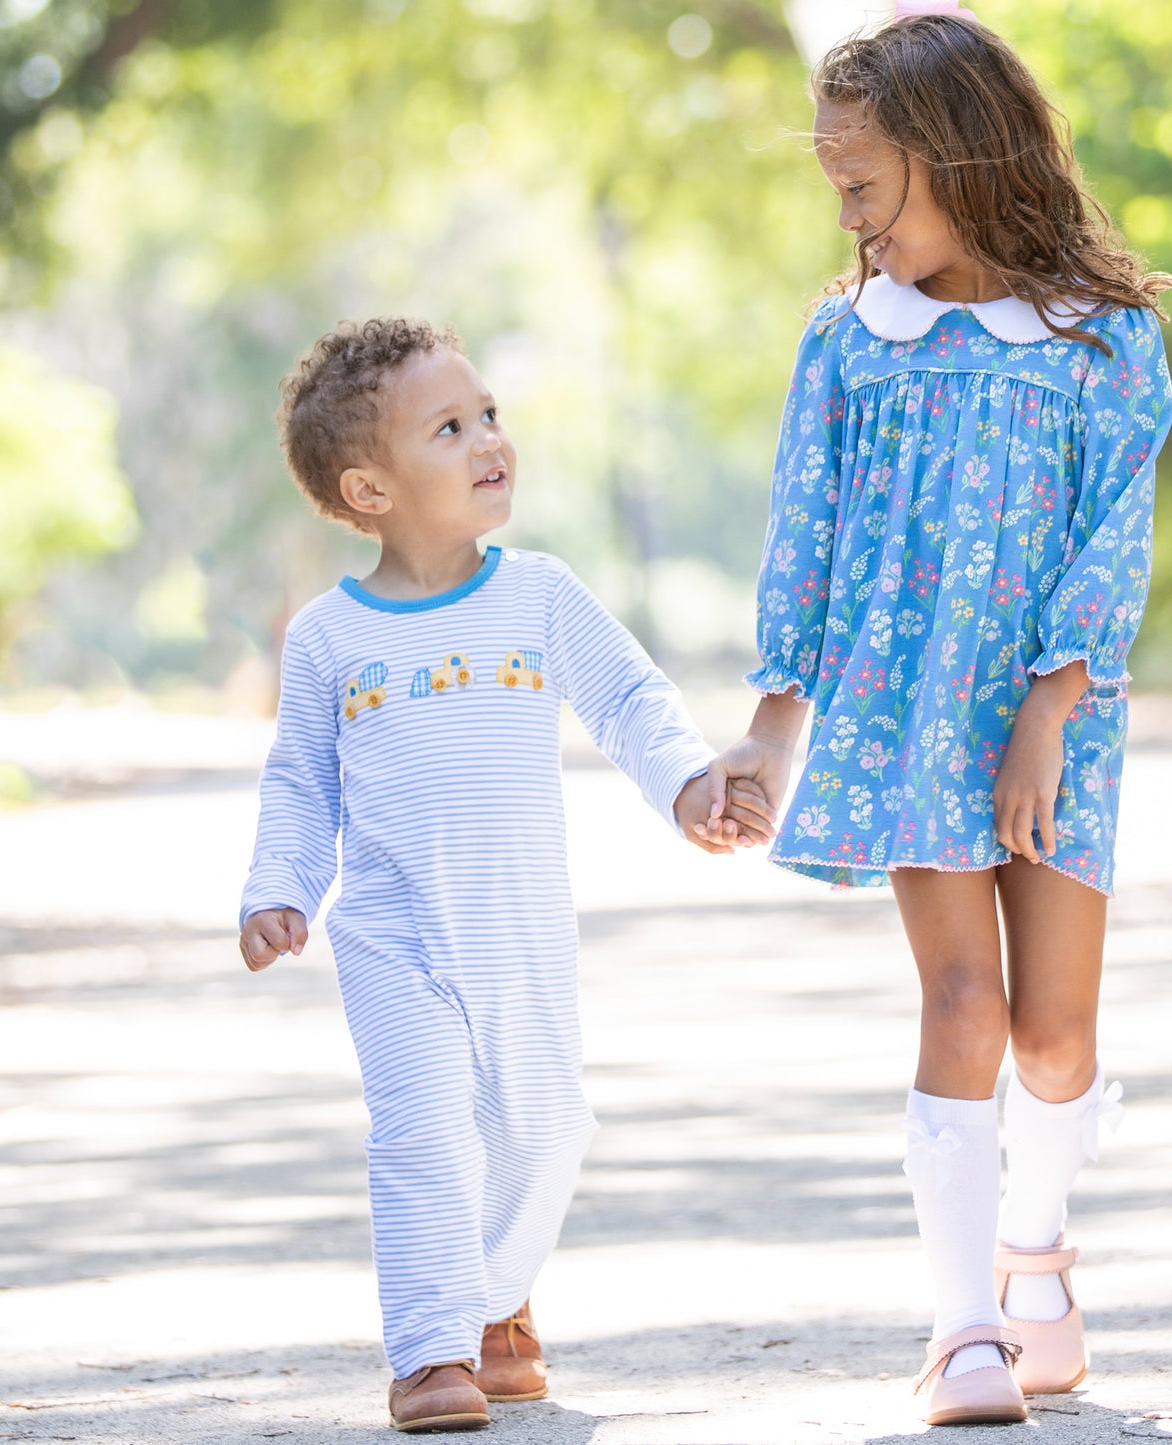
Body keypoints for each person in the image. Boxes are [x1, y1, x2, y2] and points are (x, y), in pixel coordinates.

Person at [697, 5, 1172, 1428]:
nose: (845, 215)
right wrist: (771, 730)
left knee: (1055, 1042)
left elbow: (1116, 533)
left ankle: (1034, 1248)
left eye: (861, 182)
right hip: (905, 716)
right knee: (963, 1005)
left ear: (956, 155)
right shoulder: (850, 343)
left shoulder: (1104, 339)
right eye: (835, 187)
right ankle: (964, 1329)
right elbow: (811, 535)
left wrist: (1052, 700)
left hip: (1056, 717)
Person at [238, 318, 773, 1434]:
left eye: (489, 415)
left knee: (545, 1126)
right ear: (368, 487)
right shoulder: (331, 638)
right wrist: (277, 886)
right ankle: (434, 1349)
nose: (490, 440)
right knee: (424, 1128)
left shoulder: (537, 595)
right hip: (394, 937)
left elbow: (629, 698)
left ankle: (494, 1295)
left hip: (519, 928)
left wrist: (687, 785)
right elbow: (299, 783)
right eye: (449, 427)